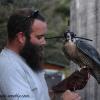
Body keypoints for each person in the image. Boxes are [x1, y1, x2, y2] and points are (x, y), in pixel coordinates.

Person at [0, 8, 81, 100]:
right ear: (21, 37)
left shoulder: (27, 60)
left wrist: (63, 88)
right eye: (39, 37)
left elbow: (39, 96)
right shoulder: (10, 67)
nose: (44, 42)